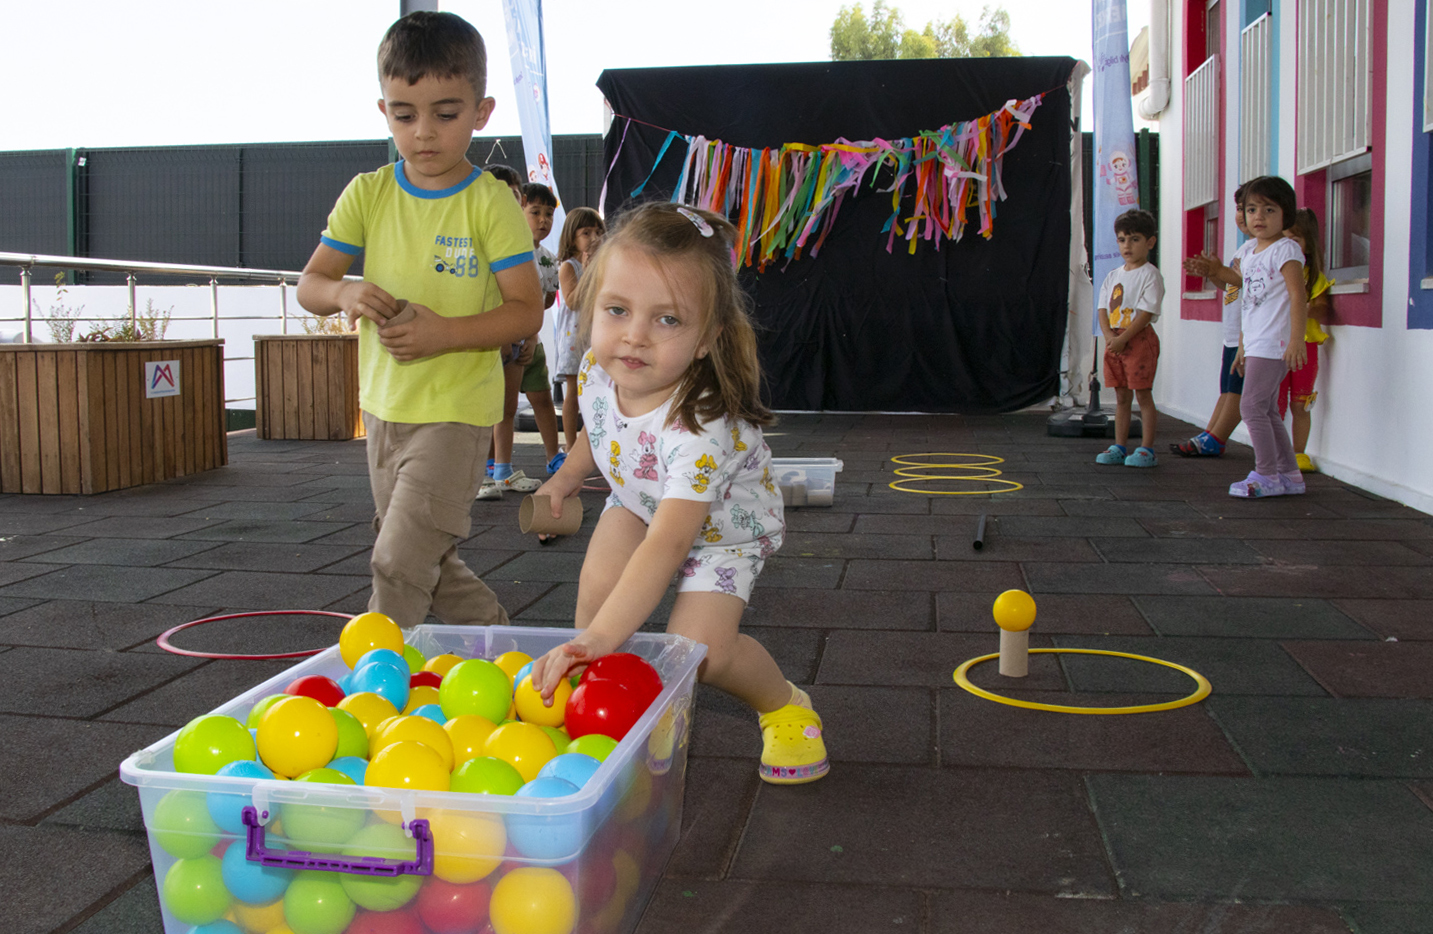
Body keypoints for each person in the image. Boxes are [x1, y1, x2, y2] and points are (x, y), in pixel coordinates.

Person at [527, 202, 828, 786]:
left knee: (703, 649)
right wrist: (565, 477)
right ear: (591, 306)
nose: (635, 335)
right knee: (596, 596)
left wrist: (594, 640)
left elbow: (668, 545)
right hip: (638, 501)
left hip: (721, 533)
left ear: (705, 339)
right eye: (617, 310)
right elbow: (600, 426)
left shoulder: (700, 427)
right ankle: (609, 706)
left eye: (668, 320)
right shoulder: (596, 368)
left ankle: (783, 705)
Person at [296, 11, 542, 627]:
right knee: (422, 560)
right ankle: (505, 651)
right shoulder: (368, 192)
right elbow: (311, 284)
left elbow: (526, 311)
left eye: (446, 113)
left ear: (482, 113)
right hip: (382, 411)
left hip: (456, 414)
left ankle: (378, 683)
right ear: (383, 111)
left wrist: (443, 335)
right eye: (405, 115)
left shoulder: (491, 203)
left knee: (398, 561)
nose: (424, 132)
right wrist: (344, 293)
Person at [477, 182, 565, 499]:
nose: (542, 220)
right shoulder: (503, 252)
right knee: (496, 407)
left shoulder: (547, 258)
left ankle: (525, 463)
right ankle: (490, 468)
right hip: (504, 338)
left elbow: (543, 301)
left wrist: (531, 335)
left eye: (549, 214)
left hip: (528, 339)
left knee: (519, 404)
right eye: (535, 212)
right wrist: (508, 335)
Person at [1229, 175, 1308, 498]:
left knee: (1250, 407)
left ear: (1285, 214)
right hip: (1258, 341)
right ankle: (1289, 475)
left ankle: (1265, 474)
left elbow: (1298, 296)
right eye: (1251, 209)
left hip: (1275, 342)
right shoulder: (1249, 252)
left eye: (1269, 209)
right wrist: (1242, 347)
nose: (1258, 216)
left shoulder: (1285, 249)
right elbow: (1249, 303)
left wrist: (1296, 340)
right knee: (1268, 409)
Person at [1174, 181, 1255, 457]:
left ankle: (1216, 439)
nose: (1244, 216)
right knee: (1227, 388)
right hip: (1233, 333)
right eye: (1241, 209)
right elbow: (1232, 286)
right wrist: (1213, 273)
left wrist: (1219, 270)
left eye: (1251, 209)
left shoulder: (1261, 251)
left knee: (1237, 391)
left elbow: (1247, 281)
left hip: (1249, 335)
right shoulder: (1244, 249)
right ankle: (1209, 433)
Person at [1094, 209, 1164, 468]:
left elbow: (1146, 313)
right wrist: (1110, 336)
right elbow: (1103, 308)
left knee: (1142, 394)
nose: (1127, 245)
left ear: (1150, 242)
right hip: (1115, 341)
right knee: (1121, 397)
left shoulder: (1150, 274)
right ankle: (1119, 446)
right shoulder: (1113, 275)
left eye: (1134, 239)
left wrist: (1124, 339)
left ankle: (1147, 449)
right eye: (1122, 239)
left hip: (1138, 340)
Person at [1280, 207, 1334, 473]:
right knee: (1273, 406)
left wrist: (1302, 304)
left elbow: (1323, 307)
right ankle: (1274, 453)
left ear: (1308, 245)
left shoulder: (1314, 277)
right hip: (1275, 347)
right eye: (1285, 238)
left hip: (1306, 347)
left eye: (1296, 240)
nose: (1290, 244)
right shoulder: (1274, 273)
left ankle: (1298, 453)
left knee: (1301, 403)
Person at [552, 207, 606, 454]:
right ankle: (572, 445)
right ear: (572, 237)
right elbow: (573, 300)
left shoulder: (604, 266)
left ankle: (595, 443)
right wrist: (586, 268)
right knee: (573, 391)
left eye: (598, 231)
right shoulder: (569, 267)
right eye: (586, 232)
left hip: (598, 333)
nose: (594, 237)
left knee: (598, 387)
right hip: (575, 336)